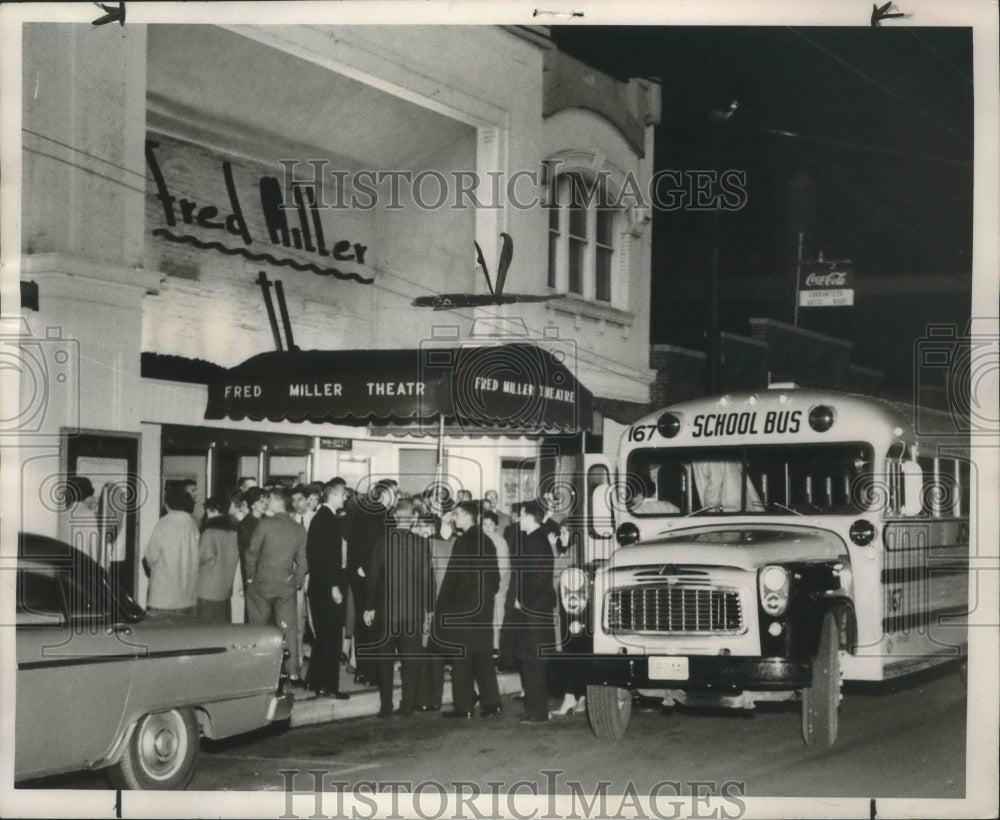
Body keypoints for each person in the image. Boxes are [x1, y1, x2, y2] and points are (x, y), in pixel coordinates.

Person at [364, 500, 435, 717]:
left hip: (387, 613)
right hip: (412, 613)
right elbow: (427, 579)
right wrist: (429, 608)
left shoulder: (382, 542)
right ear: (413, 518)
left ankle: (386, 706)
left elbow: (373, 577)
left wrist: (369, 607)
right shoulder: (422, 544)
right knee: (411, 660)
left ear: (394, 517)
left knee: (384, 660)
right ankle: (407, 705)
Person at [434, 501, 501, 719]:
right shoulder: (488, 542)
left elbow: (455, 577)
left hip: (464, 609)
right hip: (484, 609)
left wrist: (443, 606)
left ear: (467, 517)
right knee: (483, 657)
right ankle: (492, 704)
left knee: (462, 658)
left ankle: (464, 707)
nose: (455, 519)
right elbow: (496, 579)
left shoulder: (463, 542)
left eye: (457, 515)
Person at [244, 487, 308, 685]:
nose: (267, 503)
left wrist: (249, 576)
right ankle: (294, 673)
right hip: (286, 585)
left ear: (278, 502)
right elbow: (303, 560)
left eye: (269, 499)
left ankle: (259, 672)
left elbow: (251, 551)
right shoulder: (298, 528)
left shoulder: (265, 524)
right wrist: (297, 580)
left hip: (262, 584)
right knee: (288, 629)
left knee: (259, 628)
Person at [509, 501, 556, 724]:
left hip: (533, 612)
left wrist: (522, 601)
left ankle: (537, 713)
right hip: (540, 610)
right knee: (534, 663)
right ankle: (537, 710)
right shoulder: (540, 539)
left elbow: (536, 578)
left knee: (533, 663)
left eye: (521, 516)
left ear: (529, 517)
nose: (519, 520)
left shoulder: (533, 542)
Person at [347, 479, 397, 685]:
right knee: (376, 626)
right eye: (395, 493)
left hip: (361, 576)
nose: (397, 497)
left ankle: (363, 670)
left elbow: (354, 544)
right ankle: (374, 672)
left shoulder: (360, 513)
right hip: (377, 577)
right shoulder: (386, 517)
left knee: (363, 623)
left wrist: (358, 568)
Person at [304, 479, 350, 699]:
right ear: (335, 494)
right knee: (332, 637)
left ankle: (314, 679)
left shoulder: (319, 518)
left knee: (322, 636)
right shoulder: (328, 520)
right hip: (328, 586)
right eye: (343, 494)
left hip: (318, 586)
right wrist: (334, 586)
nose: (345, 498)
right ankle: (328, 685)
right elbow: (329, 557)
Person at [145, 486, 201, 617]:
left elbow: (151, 555)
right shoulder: (192, 524)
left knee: (159, 634)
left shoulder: (164, 523)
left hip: (163, 595)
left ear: (168, 504)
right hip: (187, 595)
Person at [196, 494, 240, 622]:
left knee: (204, 632)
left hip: (206, 590)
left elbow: (202, 557)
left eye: (208, 511)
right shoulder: (234, 532)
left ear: (214, 510)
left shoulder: (209, 532)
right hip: (225, 590)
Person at [481, 510, 510, 654]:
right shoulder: (481, 540)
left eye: (490, 524)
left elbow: (503, 567)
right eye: (484, 524)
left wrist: (491, 582)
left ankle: (496, 649)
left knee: (496, 617)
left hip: (496, 586)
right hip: (484, 585)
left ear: (496, 526)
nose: (487, 527)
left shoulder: (499, 542)